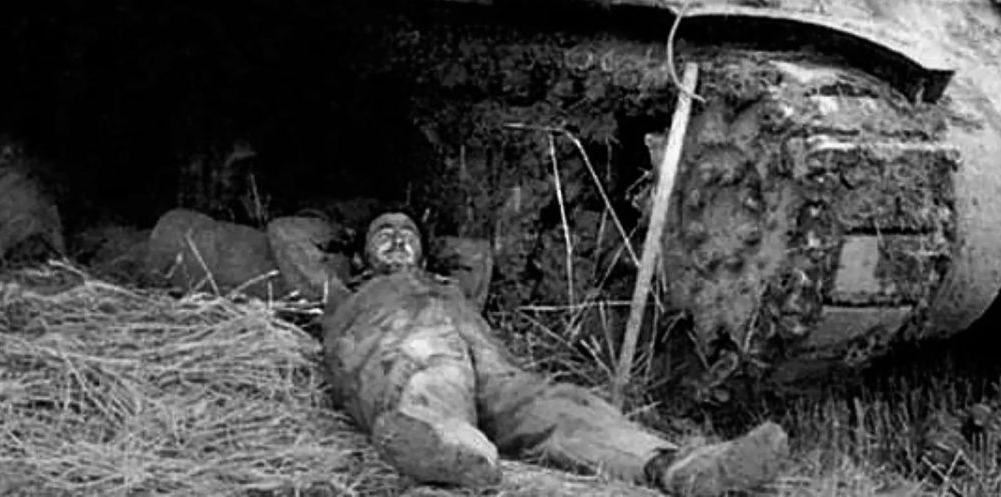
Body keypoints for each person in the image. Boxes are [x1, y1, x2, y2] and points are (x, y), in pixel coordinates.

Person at [322, 211, 789, 494]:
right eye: (382, 233)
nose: (397, 237)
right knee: (429, 377)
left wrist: (429, 252)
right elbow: (290, 238)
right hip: (402, 346)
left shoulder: (455, 287)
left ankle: (675, 466)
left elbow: (476, 253)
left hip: (487, 364)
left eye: (407, 232)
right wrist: (344, 238)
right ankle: (454, 450)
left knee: (558, 404)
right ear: (360, 256)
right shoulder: (341, 289)